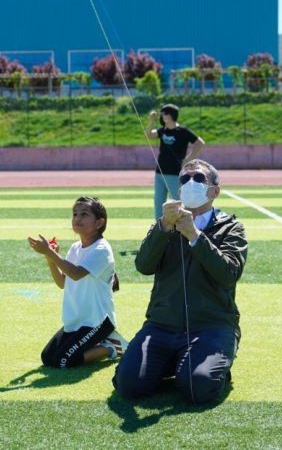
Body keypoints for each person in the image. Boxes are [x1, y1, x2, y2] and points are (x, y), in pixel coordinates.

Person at [113, 159, 247, 404]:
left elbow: (229, 273)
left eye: (199, 178)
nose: (190, 182)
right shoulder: (165, 224)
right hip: (162, 326)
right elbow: (143, 266)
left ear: (215, 190)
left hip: (211, 326)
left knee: (197, 389)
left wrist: (195, 237)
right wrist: (163, 227)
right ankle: (179, 361)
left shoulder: (231, 228)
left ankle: (209, 361)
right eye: (185, 179)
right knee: (129, 385)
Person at [27, 197, 127, 368]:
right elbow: (62, 282)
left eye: (84, 214)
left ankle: (112, 346)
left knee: (63, 361)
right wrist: (50, 258)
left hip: (98, 322)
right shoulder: (75, 248)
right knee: (47, 358)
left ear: (99, 222)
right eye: (75, 214)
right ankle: (99, 343)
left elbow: (76, 273)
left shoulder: (101, 249)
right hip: (76, 321)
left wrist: (51, 254)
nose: (77, 218)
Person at [145, 103, 205, 220]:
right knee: (159, 202)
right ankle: (159, 227)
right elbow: (148, 135)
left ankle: (183, 226)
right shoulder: (162, 130)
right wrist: (151, 121)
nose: (162, 116)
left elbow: (200, 143)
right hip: (160, 172)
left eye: (165, 113)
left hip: (174, 173)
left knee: (178, 202)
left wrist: (188, 159)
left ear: (171, 115)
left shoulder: (182, 131)